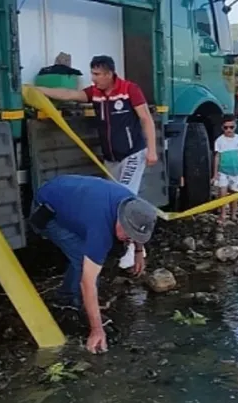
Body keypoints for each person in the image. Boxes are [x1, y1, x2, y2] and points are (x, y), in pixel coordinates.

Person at [34, 55, 158, 271]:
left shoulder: (129, 89)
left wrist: (152, 150)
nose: (94, 78)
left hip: (132, 153)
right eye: (92, 73)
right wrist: (40, 91)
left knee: (124, 198)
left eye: (97, 74)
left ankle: (134, 250)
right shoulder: (96, 94)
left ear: (110, 74)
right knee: (114, 200)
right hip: (110, 158)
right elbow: (68, 94)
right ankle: (119, 243)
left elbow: (146, 118)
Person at [29, 175, 158, 354]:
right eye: (127, 234)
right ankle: (68, 302)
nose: (129, 240)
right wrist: (97, 330)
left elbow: (138, 229)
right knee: (83, 261)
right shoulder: (100, 227)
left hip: (74, 199)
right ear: (120, 219)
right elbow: (87, 281)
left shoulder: (133, 205)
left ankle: (70, 298)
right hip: (46, 210)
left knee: (107, 253)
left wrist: (138, 252)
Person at [213, 115, 238, 224]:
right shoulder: (219, 140)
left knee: (234, 193)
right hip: (223, 170)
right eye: (226, 127)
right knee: (222, 191)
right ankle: (223, 213)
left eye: (231, 127)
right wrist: (215, 173)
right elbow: (217, 157)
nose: (228, 130)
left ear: (235, 127)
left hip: (236, 170)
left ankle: (233, 214)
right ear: (222, 128)